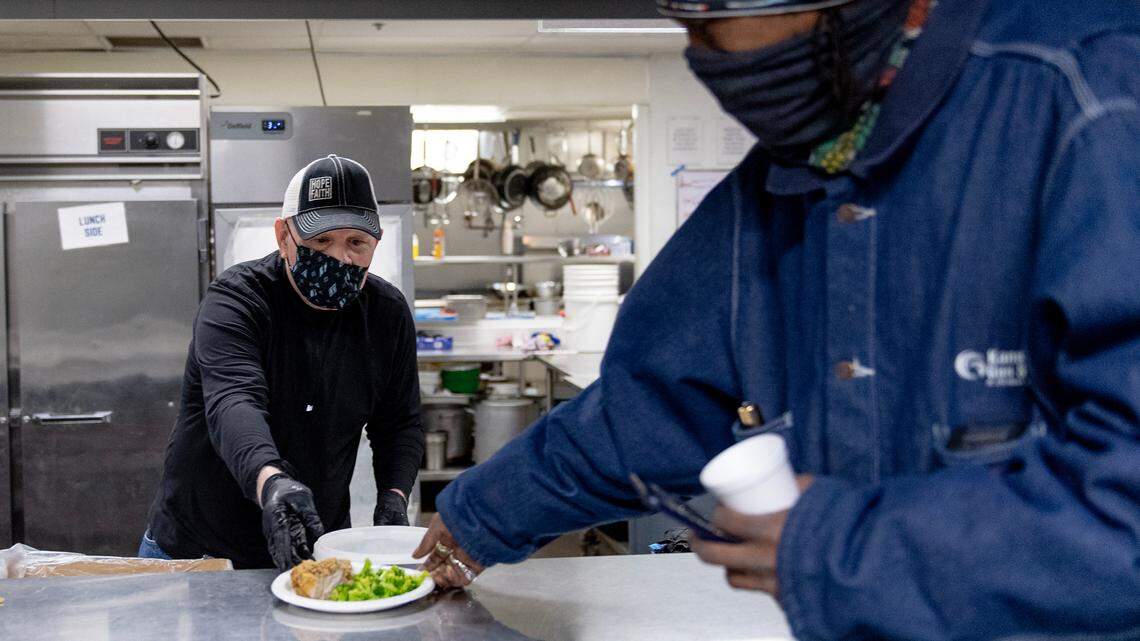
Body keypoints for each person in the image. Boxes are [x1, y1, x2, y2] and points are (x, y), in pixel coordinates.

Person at [414, 0, 1140, 638]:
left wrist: (835, 546)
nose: (699, 47)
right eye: (680, 12)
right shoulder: (801, 163)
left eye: (713, 9)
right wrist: (482, 513)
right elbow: (655, 401)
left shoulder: (1086, 96)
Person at [144, 154, 424, 570]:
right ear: (283, 236)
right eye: (321, 241)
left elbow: (399, 421)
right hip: (200, 552)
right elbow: (234, 404)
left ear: (375, 242)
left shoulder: (386, 313)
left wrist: (394, 499)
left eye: (356, 243)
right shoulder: (237, 302)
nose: (340, 259)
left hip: (316, 545)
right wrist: (272, 483)